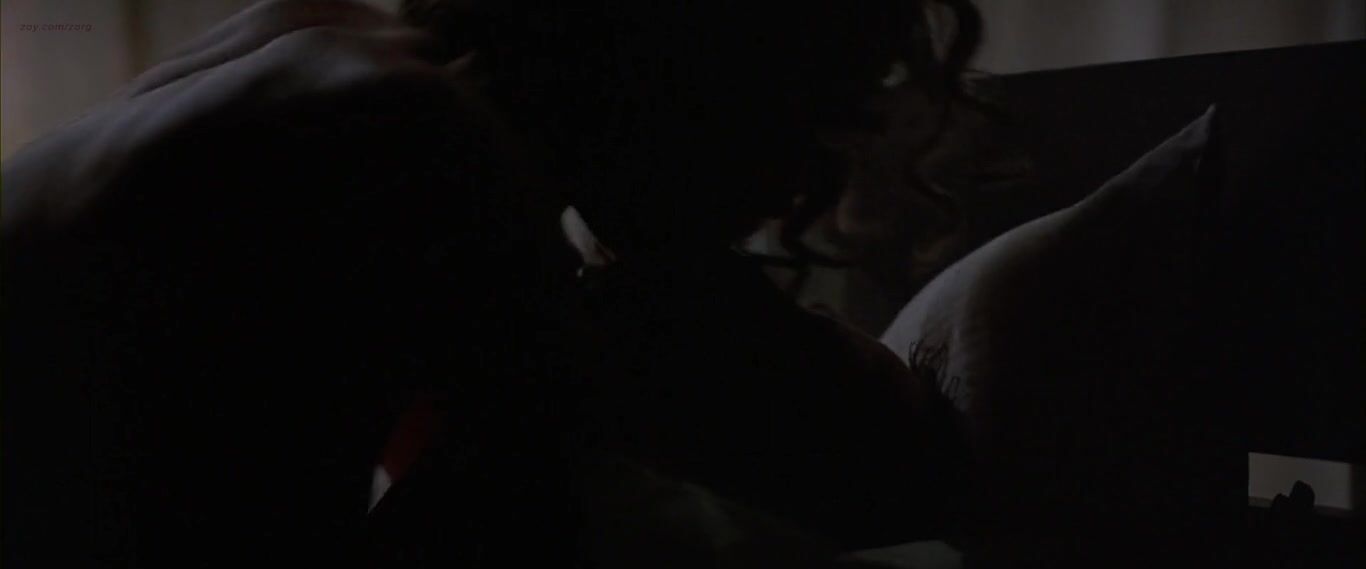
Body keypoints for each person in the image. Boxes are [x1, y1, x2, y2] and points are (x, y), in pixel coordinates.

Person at [2, 1, 981, 566]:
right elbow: (525, 507)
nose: (794, 189)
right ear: (696, 91)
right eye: (806, 124)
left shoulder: (315, 46)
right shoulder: (425, 144)